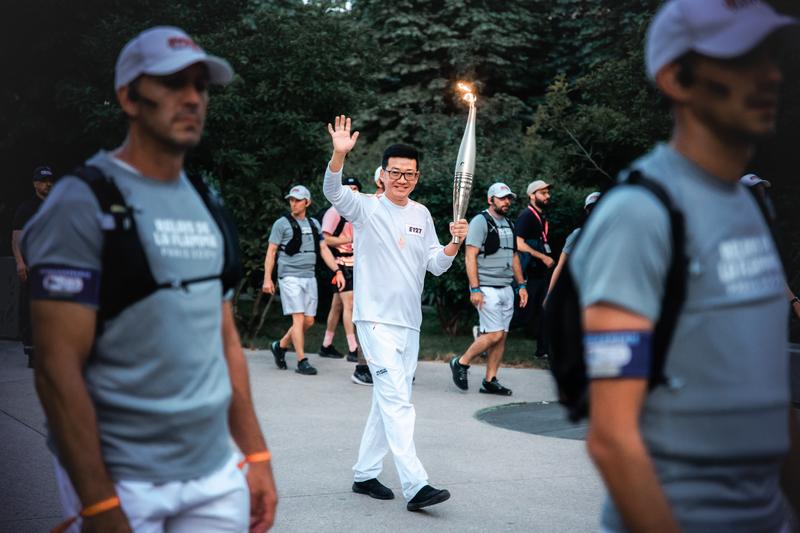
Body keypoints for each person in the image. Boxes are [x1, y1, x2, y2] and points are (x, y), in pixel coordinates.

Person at [22, 26, 277, 532]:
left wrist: (256, 455)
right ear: (129, 97)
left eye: (200, 86)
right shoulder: (81, 203)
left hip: (213, 473)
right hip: (123, 479)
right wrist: (99, 503)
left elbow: (224, 338)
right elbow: (56, 368)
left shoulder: (205, 199)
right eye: (173, 83)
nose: (192, 98)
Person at [568, 2, 800, 531]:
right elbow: (612, 437)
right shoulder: (640, 214)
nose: (770, 74)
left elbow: (771, 399)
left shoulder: (747, 207)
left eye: (769, 55)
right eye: (740, 58)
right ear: (676, 78)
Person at [323, 115, 468, 511]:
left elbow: (435, 264)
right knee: (398, 402)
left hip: (409, 324)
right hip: (375, 321)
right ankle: (416, 485)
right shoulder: (365, 208)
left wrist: (455, 244)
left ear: (417, 177)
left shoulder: (421, 214)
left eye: (409, 174)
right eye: (395, 172)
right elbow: (332, 191)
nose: (402, 179)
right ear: (383, 175)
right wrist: (339, 155)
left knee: (387, 400)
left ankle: (365, 474)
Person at [449, 182, 528, 395]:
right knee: (494, 334)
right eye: (502, 198)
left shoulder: (509, 223)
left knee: (502, 336)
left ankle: (490, 380)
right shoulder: (480, 221)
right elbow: (470, 256)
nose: (506, 202)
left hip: (506, 287)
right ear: (490, 200)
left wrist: (521, 285)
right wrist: (475, 289)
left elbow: (514, 256)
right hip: (486, 287)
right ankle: (461, 362)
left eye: (508, 198)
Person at [263, 185, 344, 376]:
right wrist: (267, 278)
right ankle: (301, 361)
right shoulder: (281, 224)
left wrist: (337, 270)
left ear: (307, 202)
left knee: (308, 321)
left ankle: (280, 345)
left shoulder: (314, 224)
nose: (294, 203)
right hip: (289, 276)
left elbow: (323, 249)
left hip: (309, 276)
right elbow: (271, 252)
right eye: (291, 200)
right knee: (298, 318)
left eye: (298, 200)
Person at [12, 165, 54, 367]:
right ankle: (33, 352)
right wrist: (20, 262)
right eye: (43, 181)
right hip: (32, 267)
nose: (48, 184)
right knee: (30, 311)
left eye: (50, 181)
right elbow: (16, 239)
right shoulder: (26, 208)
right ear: (35, 184)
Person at [514, 179, 554, 358]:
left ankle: (542, 350)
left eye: (548, 193)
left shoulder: (541, 216)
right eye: (543, 193)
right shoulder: (527, 216)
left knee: (545, 309)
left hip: (541, 272)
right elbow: (518, 244)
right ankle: (484, 331)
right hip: (530, 272)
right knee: (524, 313)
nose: (547, 196)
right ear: (532, 195)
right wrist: (543, 257)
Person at [545, 191, 600, 301]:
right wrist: (550, 295)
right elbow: (560, 266)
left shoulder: (615, 236)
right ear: (587, 211)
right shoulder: (577, 235)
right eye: (591, 209)